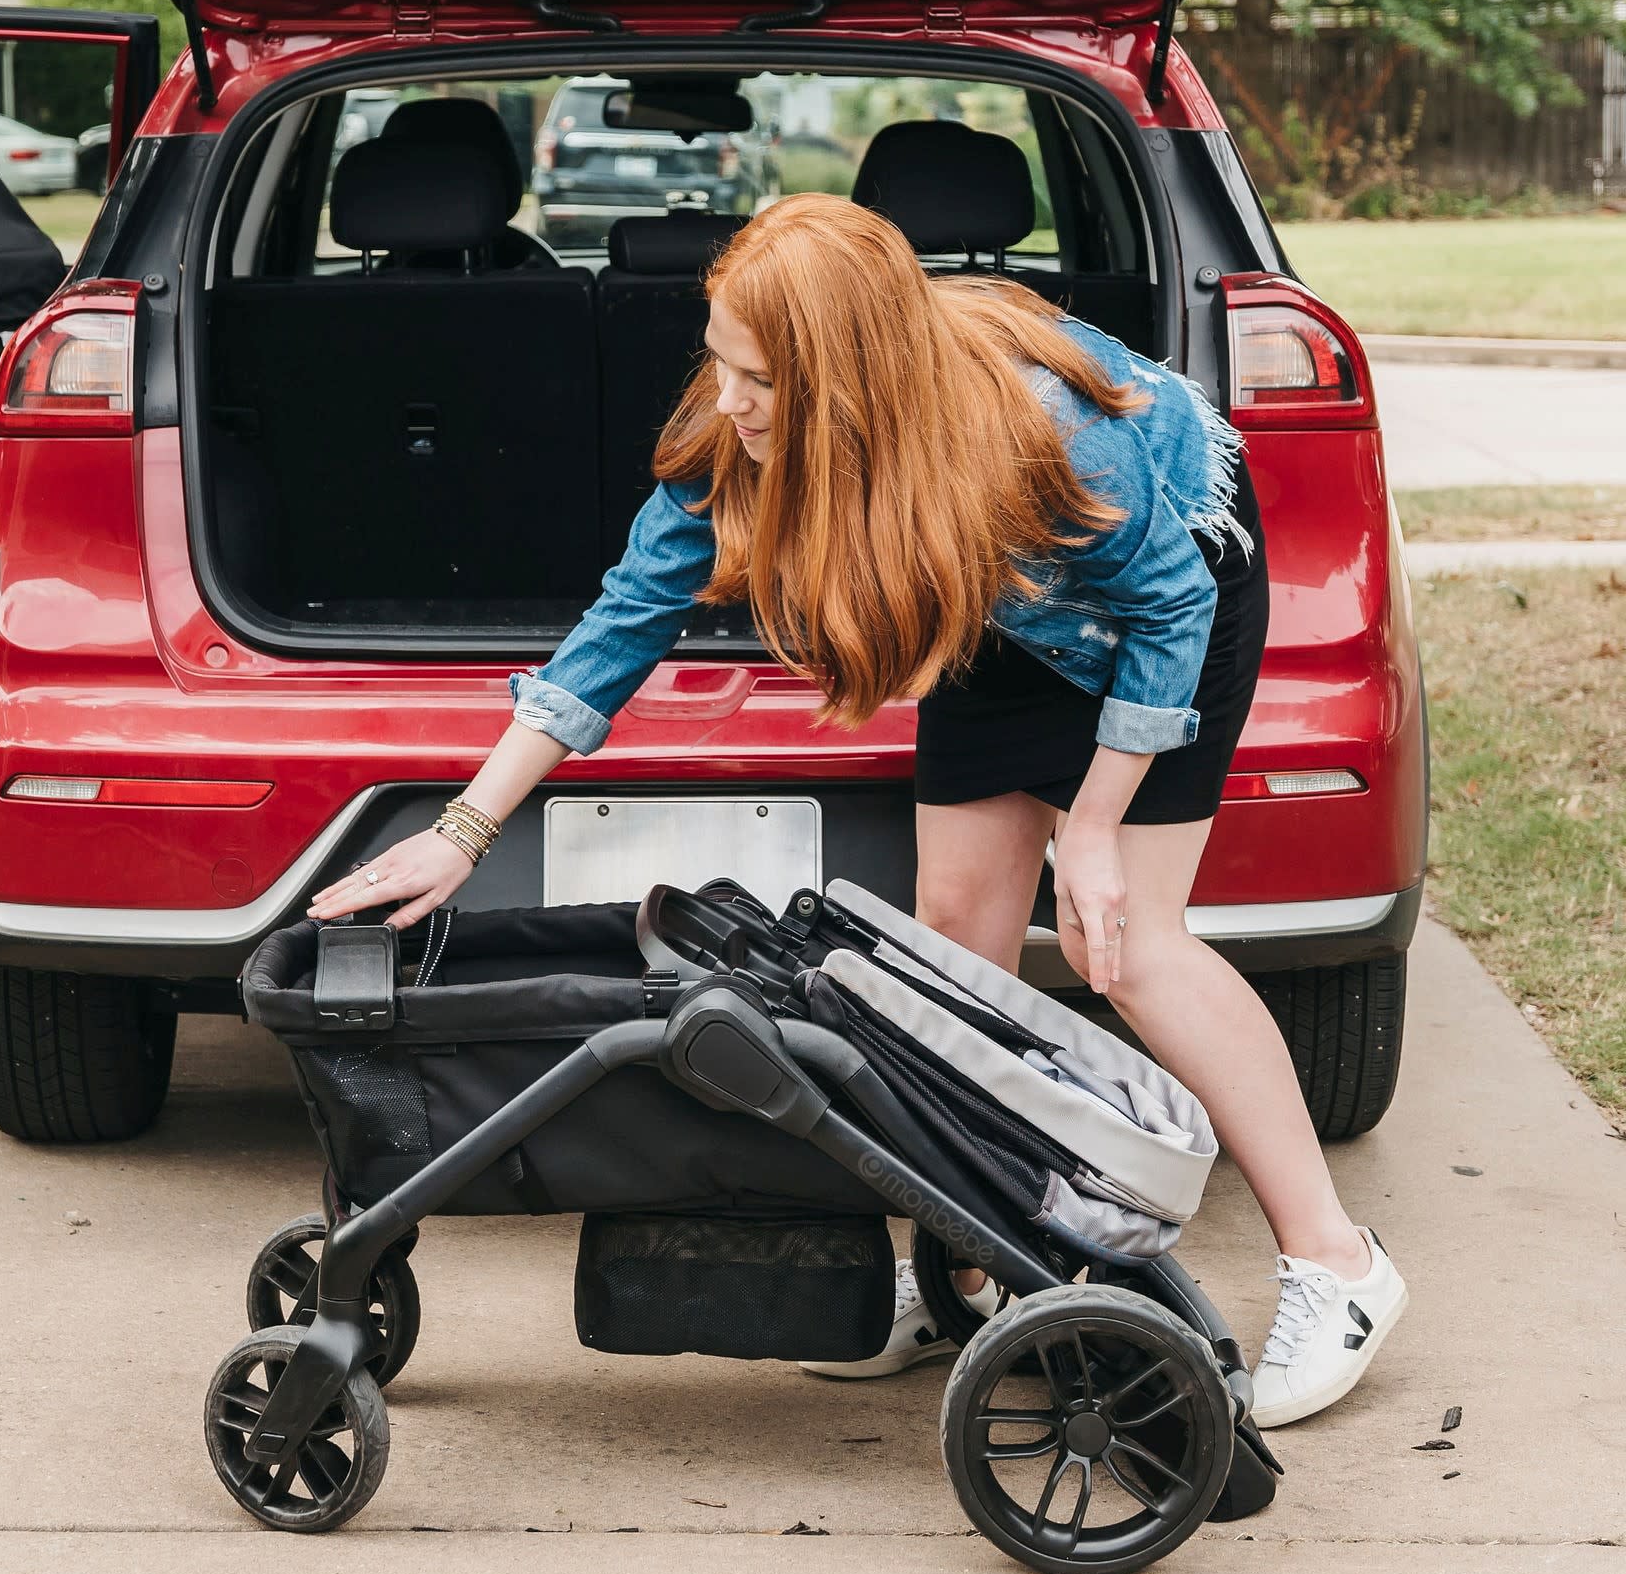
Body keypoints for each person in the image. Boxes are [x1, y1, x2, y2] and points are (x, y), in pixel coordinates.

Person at [311, 194, 1406, 1431]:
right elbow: (623, 625)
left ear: (846, 382)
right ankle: (968, 1259)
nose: (727, 402)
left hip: (1161, 599)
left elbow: (1165, 606)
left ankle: (1340, 1266)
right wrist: (464, 830)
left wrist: (1091, 827)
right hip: (990, 590)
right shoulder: (748, 427)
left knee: (1133, 946)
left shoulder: (1038, 430)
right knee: (949, 940)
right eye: (717, 361)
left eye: (758, 378)